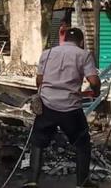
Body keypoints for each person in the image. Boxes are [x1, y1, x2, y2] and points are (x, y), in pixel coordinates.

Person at [24, 28, 100, 188]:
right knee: (82, 143)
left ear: (64, 40)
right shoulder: (83, 54)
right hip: (70, 107)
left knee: (38, 142)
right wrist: (96, 91)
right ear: (81, 42)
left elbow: (39, 81)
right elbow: (93, 81)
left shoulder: (48, 53)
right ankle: (82, 182)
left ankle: (32, 181)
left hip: (47, 106)